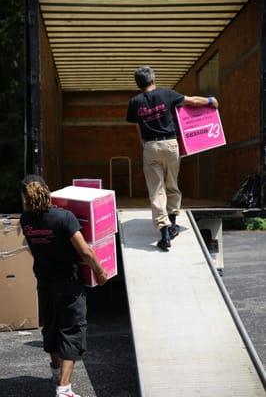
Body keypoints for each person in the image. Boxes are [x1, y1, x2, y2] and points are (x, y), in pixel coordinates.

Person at [20, 174, 108, 397]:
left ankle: (56, 372)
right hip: (68, 284)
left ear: (25, 197)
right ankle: (64, 388)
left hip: (45, 283)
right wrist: (100, 271)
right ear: (47, 191)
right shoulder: (64, 217)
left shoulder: (26, 219)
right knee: (72, 330)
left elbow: (31, 248)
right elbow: (86, 250)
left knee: (50, 327)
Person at [127, 65, 218, 251]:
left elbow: (137, 127)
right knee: (172, 184)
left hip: (150, 146)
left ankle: (165, 233)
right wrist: (210, 100)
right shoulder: (166, 94)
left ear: (138, 84)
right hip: (170, 144)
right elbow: (192, 101)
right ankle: (174, 223)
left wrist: (144, 144)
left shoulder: (134, 102)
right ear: (153, 79)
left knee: (156, 190)